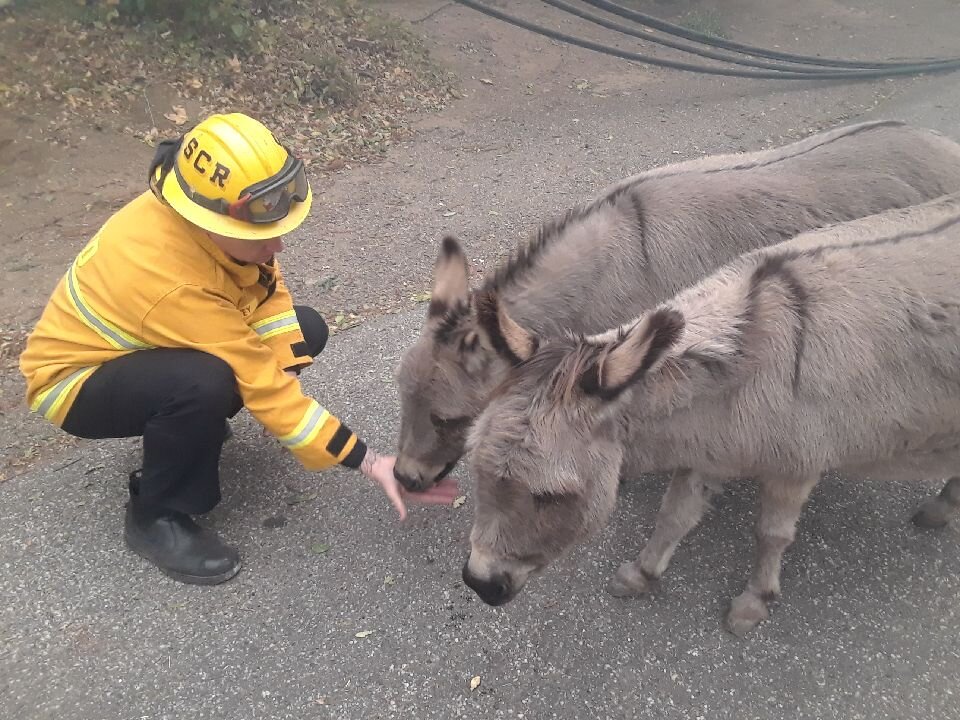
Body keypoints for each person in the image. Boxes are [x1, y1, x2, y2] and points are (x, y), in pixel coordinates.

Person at [19, 112, 458, 586]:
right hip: (73, 383)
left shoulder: (194, 215)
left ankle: (187, 431)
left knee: (302, 331)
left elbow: (265, 292)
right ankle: (155, 515)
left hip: (143, 352)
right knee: (202, 384)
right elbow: (255, 374)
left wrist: (286, 371)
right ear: (206, 221)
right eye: (261, 237)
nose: (279, 245)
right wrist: (370, 461)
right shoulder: (167, 278)